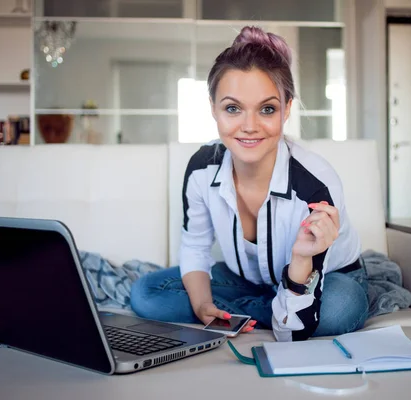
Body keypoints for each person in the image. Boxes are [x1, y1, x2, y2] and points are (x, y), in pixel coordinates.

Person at [130, 25, 369, 342]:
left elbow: (292, 337)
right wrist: (202, 304)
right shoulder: (201, 169)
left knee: (342, 308)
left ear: (286, 110)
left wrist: (300, 259)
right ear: (213, 109)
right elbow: (195, 245)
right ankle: (274, 309)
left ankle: (276, 310)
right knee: (146, 293)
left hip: (323, 278)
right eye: (232, 108)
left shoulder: (316, 185)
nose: (250, 127)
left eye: (267, 109)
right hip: (246, 280)